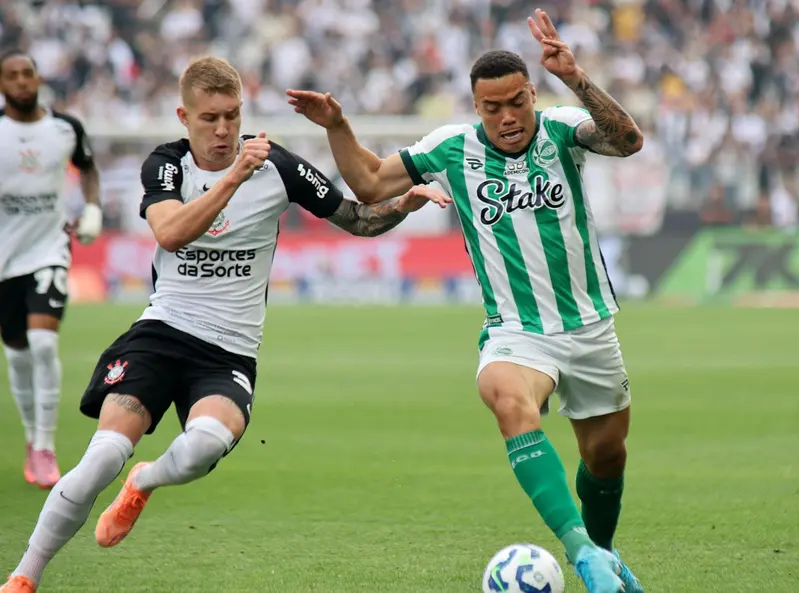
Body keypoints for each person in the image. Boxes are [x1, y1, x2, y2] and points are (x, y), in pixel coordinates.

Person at [0, 55, 448, 593]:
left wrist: (404, 204)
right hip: (160, 334)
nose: (223, 130)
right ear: (183, 117)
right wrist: (235, 177)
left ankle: (146, 481)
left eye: (232, 116)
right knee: (102, 457)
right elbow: (169, 234)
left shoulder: (278, 166)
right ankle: (25, 576)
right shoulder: (166, 166)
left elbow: (356, 218)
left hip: (229, 352)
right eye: (209, 118)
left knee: (205, 443)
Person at [287, 9, 645, 593]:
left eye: (516, 102)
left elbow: (628, 140)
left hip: (590, 327)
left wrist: (575, 78)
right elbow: (373, 182)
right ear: (475, 107)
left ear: (532, 93)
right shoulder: (451, 148)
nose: (506, 117)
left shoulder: (562, 128)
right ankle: (580, 550)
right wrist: (337, 125)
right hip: (516, 331)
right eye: (491, 107)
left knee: (607, 457)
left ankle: (604, 553)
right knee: (508, 400)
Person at [0, 49, 103, 489]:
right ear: (3, 84)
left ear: (39, 79)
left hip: (49, 251)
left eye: (28, 74)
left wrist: (93, 208)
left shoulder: (64, 128)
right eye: (13, 76)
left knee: (43, 343)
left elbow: (88, 167)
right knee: (18, 352)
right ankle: (30, 438)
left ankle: (45, 444)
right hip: (5, 260)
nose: (23, 81)